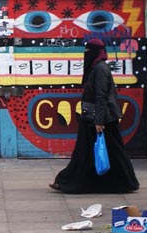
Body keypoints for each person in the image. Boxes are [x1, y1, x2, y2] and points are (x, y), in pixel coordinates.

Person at [50, 39, 139, 194]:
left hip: (98, 119)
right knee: (99, 151)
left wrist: (99, 121)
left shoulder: (100, 69)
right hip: (94, 116)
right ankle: (124, 182)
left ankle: (70, 181)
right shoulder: (97, 68)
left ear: (96, 52)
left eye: (88, 51)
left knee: (94, 151)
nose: (86, 54)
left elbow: (101, 95)